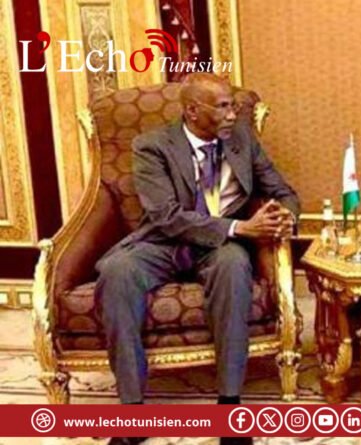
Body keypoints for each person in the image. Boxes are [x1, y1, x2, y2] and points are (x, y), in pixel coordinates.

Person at [96, 73, 299, 445]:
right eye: (222, 107)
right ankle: (131, 412)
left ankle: (230, 406)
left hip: (220, 247)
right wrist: (239, 227)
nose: (232, 114)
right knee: (116, 271)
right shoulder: (151, 146)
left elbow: (282, 191)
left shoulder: (242, 140)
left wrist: (285, 217)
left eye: (233, 105)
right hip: (164, 241)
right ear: (192, 111)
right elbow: (165, 216)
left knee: (234, 267)